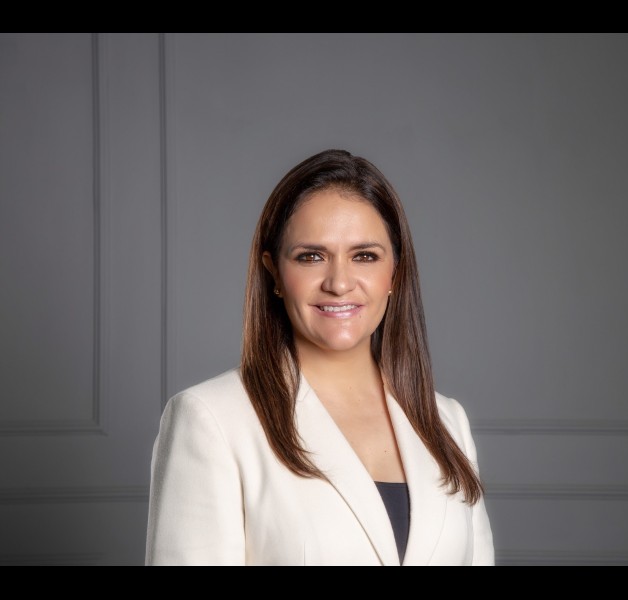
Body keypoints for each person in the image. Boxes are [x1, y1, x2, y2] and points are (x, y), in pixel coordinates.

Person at [145, 149, 494, 565]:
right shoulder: (210, 419)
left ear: (394, 275)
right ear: (275, 274)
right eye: (311, 257)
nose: (339, 283)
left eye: (364, 256)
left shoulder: (447, 421)